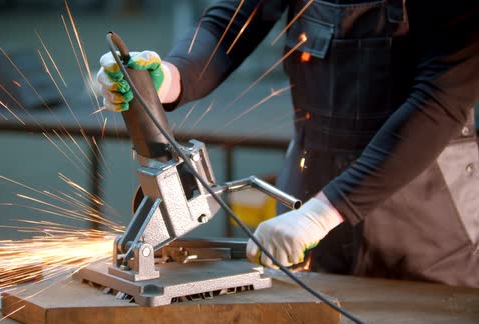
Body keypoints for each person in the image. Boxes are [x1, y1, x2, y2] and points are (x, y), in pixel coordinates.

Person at [98, 0, 479, 287]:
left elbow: (439, 101)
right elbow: (231, 23)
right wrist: (169, 77)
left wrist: (322, 213)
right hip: (305, 191)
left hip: (424, 211)